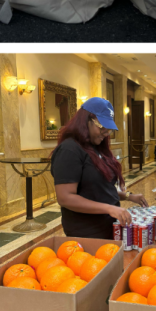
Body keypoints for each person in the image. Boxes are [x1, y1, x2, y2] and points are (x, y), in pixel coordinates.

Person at [51, 98, 148, 239]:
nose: (105, 133)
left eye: (108, 130)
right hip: (88, 232)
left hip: (108, 227)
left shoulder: (95, 147)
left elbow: (100, 190)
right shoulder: (69, 149)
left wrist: (128, 196)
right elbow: (65, 198)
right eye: (102, 127)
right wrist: (109, 208)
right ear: (86, 121)